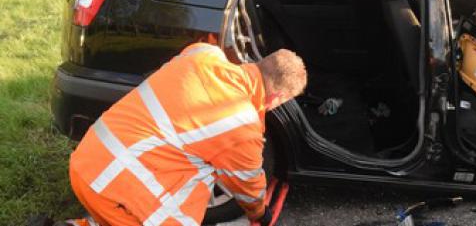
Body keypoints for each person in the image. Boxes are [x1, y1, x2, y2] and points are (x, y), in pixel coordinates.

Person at [67, 43, 307, 226]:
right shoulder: (242, 123)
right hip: (110, 188)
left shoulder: (203, 53)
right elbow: (248, 185)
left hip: (87, 161)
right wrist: (260, 214)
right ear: (277, 98)